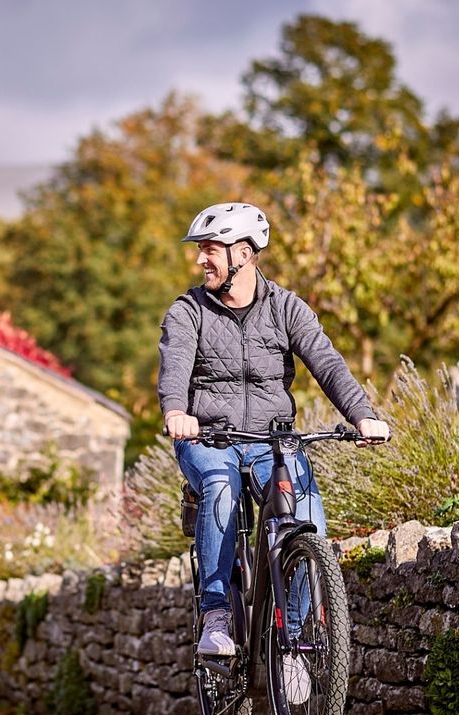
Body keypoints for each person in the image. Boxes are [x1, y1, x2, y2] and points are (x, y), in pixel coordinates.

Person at [158, 202, 391, 663]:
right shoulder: (188, 311)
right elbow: (175, 366)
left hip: (271, 442)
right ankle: (218, 614)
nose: (201, 260)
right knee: (220, 487)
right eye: (201, 251)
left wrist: (362, 414)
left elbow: (326, 363)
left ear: (242, 254)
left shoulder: (287, 308)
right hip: (209, 440)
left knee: (305, 514)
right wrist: (177, 412)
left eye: (210, 250)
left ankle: (297, 643)